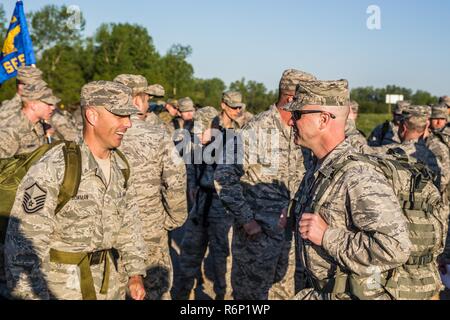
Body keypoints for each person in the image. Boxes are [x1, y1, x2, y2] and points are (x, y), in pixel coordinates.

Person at [4, 81, 147, 300]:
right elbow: (24, 244)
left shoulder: (121, 166)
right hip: (61, 289)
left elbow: (130, 223)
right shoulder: (56, 166)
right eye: (120, 115)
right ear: (92, 116)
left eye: (128, 116)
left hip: (110, 288)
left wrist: (135, 274)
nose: (128, 123)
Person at [286, 78, 411, 300]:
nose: (290, 122)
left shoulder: (358, 175)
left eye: (297, 115)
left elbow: (395, 247)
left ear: (323, 120)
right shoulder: (320, 167)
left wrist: (327, 236)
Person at [214, 69, 315, 300]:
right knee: (250, 297)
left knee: (283, 294)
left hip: (288, 238)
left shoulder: (302, 133)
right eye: (307, 99)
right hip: (256, 239)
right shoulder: (256, 130)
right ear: (291, 99)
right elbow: (224, 177)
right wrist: (247, 220)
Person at [115, 74, 188, 300]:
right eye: (146, 98)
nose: (148, 104)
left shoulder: (99, 133)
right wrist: (174, 218)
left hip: (111, 231)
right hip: (150, 228)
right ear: (137, 100)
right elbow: (176, 179)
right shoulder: (156, 134)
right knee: (154, 290)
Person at [0, 81, 59, 158]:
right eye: (49, 104)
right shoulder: (13, 129)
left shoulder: (41, 126)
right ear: (33, 105)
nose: (53, 108)